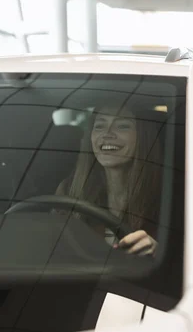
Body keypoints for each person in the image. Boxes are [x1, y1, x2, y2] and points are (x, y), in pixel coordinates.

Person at [55, 103, 163, 256]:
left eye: (122, 126)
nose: (107, 134)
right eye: (99, 126)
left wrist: (159, 253)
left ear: (143, 136)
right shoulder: (69, 190)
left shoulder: (170, 198)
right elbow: (52, 251)